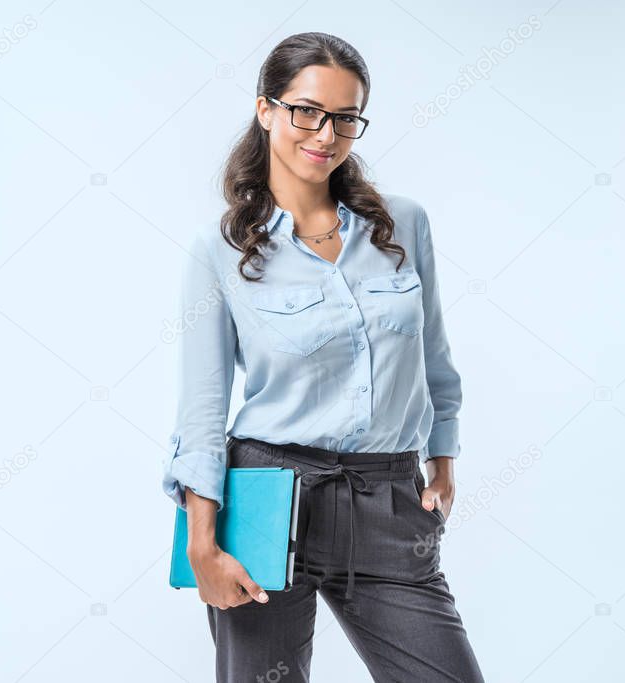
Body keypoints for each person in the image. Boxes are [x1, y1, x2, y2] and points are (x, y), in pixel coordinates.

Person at [161, 32, 485, 682]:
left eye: (344, 116)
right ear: (266, 109)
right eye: (305, 110)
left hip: (389, 499)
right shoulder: (222, 247)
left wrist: (441, 460)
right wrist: (201, 541)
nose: (324, 133)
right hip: (264, 496)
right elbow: (202, 407)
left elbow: (433, 358)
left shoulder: (402, 225)